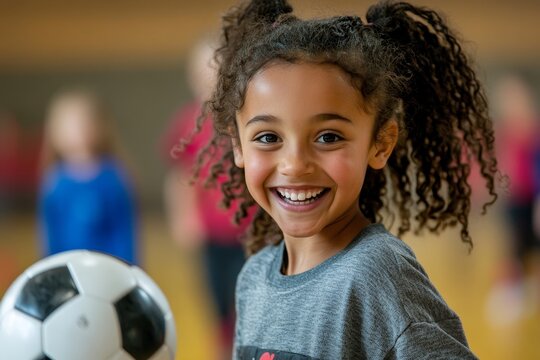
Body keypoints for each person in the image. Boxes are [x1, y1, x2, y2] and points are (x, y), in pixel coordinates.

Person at [186, 0, 499, 358]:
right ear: (238, 146)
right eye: (268, 137)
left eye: (328, 137)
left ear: (380, 144)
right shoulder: (253, 278)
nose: (295, 164)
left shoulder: (376, 273)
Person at [162, 37, 251, 359]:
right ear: (192, 76)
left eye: (216, 66)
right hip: (212, 233)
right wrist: (183, 217)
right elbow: (180, 176)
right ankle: (222, 350)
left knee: (250, 298)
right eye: (203, 68)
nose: (210, 74)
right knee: (218, 304)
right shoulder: (188, 122)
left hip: (251, 230)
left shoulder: (246, 115)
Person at [38, 89, 139, 265]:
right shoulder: (55, 182)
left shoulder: (113, 178)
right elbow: (49, 232)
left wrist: (127, 265)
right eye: (70, 126)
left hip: (108, 267)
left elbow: (125, 230)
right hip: (67, 267)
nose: (78, 132)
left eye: (83, 124)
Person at [485, 73, 540, 324]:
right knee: (513, 247)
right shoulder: (504, 130)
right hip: (513, 199)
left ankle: (525, 291)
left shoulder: (532, 131)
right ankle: (509, 296)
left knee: (529, 246)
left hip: (531, 198)